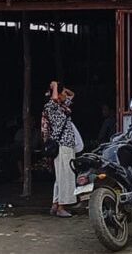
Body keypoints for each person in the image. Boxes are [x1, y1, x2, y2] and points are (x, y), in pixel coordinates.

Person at [43, 81, 77, 218]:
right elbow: (55, 99)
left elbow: (72, 95)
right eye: (61, 93)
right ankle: (62, 207)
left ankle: (55, 204)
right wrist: (55, 86)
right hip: (63, 145)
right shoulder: (51, 107)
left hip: (66, 145)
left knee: (60, 177)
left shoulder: (62, 108)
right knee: (65, 177)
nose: (64, 95)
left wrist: (62, 89)